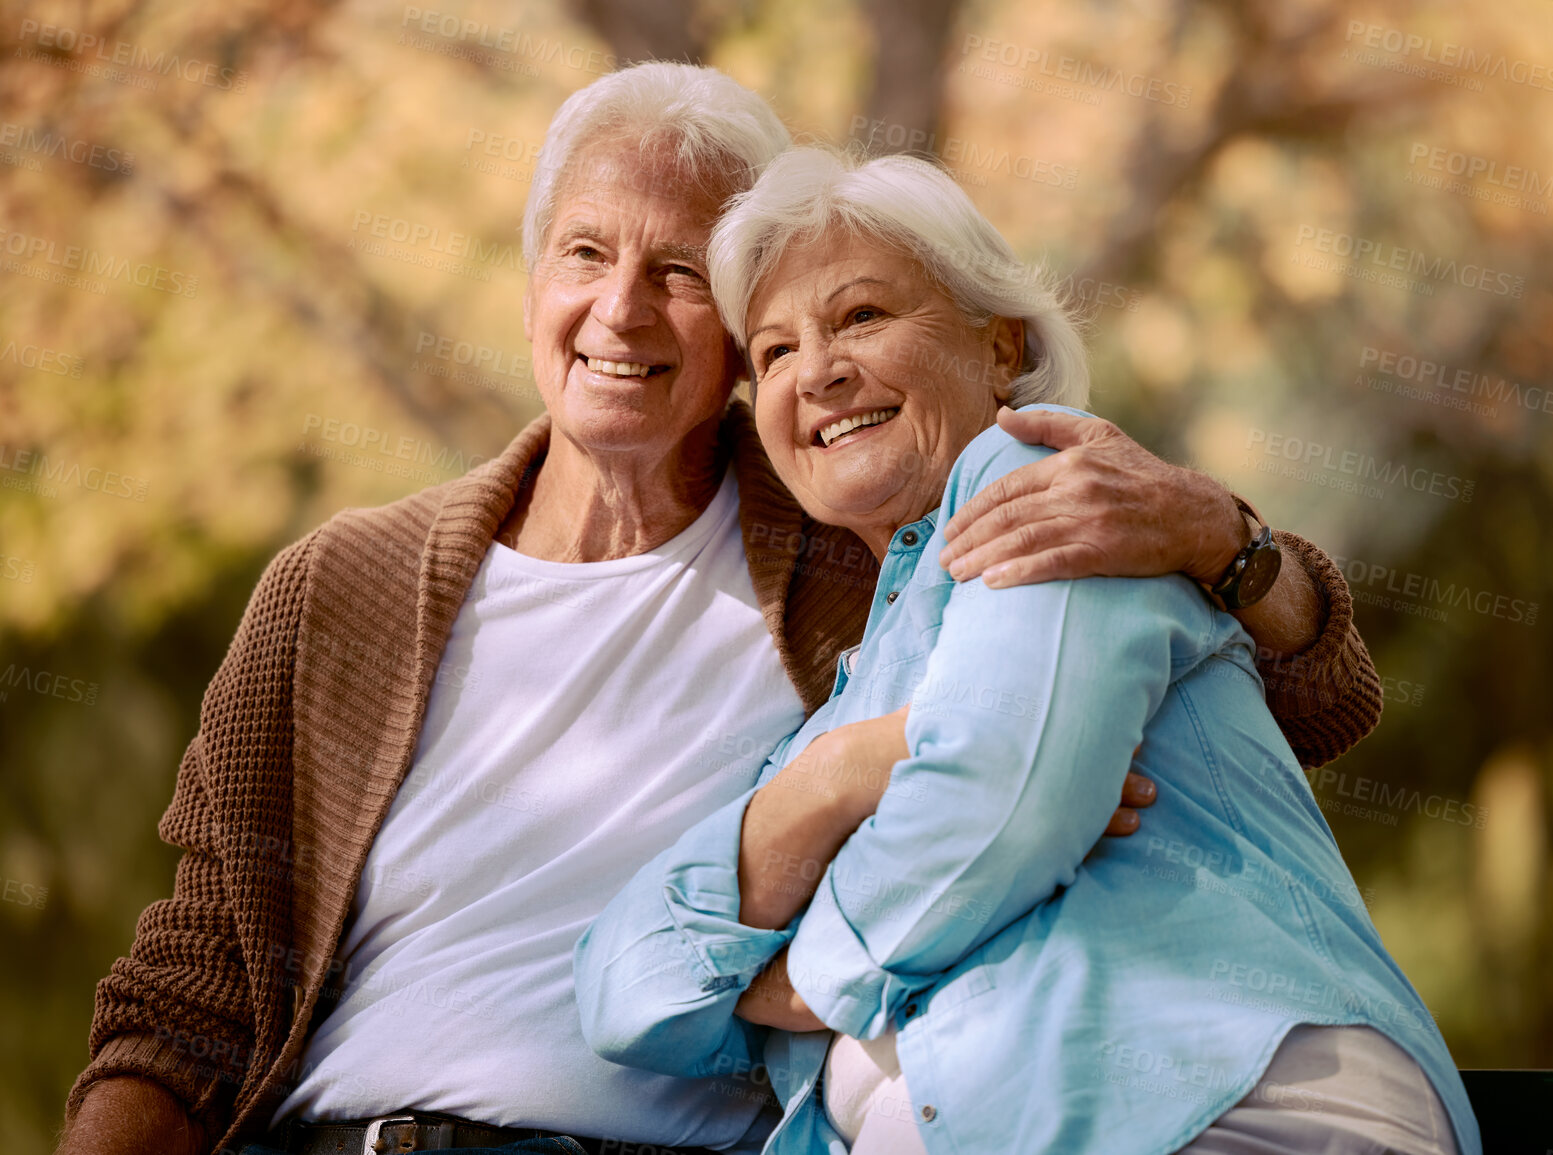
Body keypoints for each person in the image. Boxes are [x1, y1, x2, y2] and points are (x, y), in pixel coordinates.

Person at [59, 65, 1381, 1155]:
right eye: (585, 251)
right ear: (534, 281)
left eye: (681, 272)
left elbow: (1312, 698)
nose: (617, 309)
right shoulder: (337, 588)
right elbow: (188, 996)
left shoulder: (866, 536)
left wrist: (1227, 537)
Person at [574, 146, 1481, 1155]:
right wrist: (837, 775)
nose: (819, 371)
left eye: (862, 316)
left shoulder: (1055, 488)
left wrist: (797, 977)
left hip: (1228, 1108)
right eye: (774, 354)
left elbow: (1004, 797)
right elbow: (621, 989)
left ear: (1001, 348)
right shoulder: (841, 706)